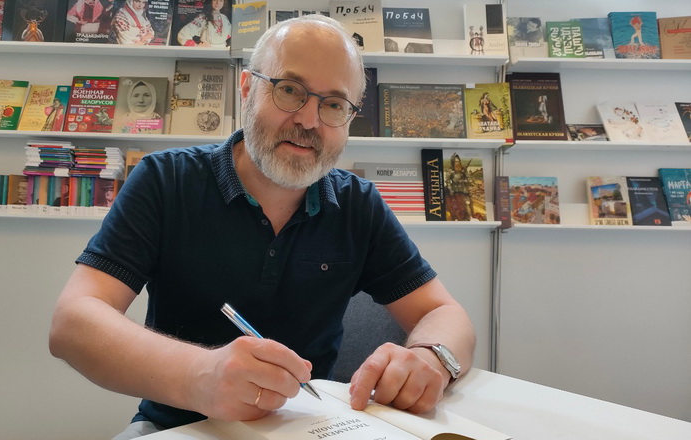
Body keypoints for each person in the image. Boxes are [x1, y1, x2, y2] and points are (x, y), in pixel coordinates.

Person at [49, 14, 475, 440]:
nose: (309, 120)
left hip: (314, 429)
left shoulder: (358, 205)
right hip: (177, 425)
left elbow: (444, 312)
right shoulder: (166, 180)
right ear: (247, 88)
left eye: (333, 104)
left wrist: (432, 356)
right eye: (289, 90)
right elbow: (72, 322)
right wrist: (199, 375)